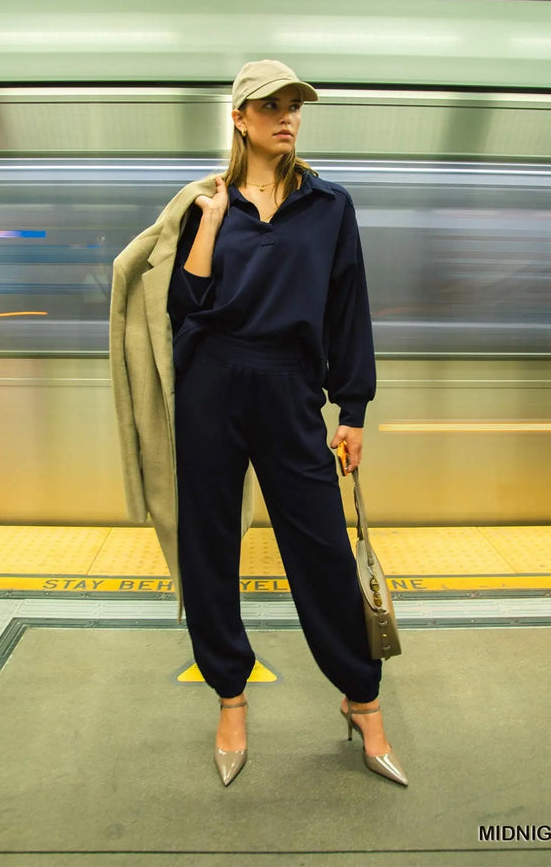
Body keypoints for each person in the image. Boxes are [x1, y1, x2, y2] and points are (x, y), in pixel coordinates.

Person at [166, 59, 407, 788]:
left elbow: (348, 307)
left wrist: (353, 407)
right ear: (239, 118)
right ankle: (230, 698)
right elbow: (186, 309)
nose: (287, 116)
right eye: (269, 106)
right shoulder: (205, 204)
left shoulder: (329, 205)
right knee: (209, 546)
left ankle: (362, 698)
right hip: (211, 385)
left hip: (291, 387)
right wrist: (211, 223)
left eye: (294, 105)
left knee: (322, 549)